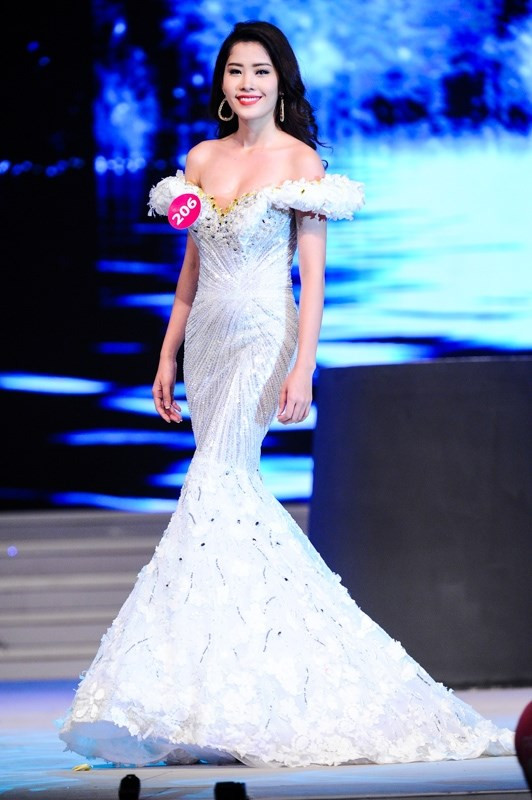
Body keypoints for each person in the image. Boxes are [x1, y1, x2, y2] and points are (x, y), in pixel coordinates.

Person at [59, 21, 514, 768]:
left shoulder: (301, 163)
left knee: (214, 484)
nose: (247, 83)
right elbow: (189, 273)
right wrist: (167, 354)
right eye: (236, 70)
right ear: (222, 83)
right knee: (225, 493)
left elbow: (314, 280)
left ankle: (211, 686)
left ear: (281, 83)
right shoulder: (200, 160)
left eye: (261, 71)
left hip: (264, 337)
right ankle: (229, 690)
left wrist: (304, 367)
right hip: (207, 340)